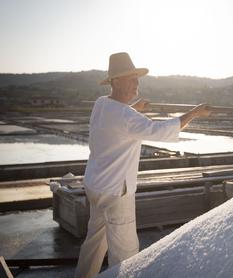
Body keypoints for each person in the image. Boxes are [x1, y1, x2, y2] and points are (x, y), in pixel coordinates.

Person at [74, 52, 211, 278]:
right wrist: (195, 113)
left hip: (96, 187)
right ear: (115, 82)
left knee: (95, 241)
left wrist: (136, 107)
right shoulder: (127, 116)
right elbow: (159, 130)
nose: (137, 83)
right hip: (116, 191)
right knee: (125, 252)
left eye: (137, 78)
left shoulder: (101, 104)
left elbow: (118, 120)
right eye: (131, 78)